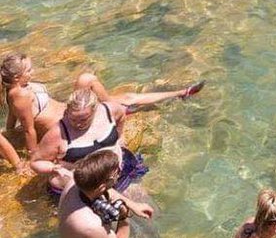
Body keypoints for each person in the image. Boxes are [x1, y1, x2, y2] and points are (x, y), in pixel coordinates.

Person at [2, 53, 201, 162]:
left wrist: (9, 131)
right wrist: (33, 156)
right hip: (67, 121)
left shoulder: (21, 88)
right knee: (127, 98)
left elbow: (13, 115)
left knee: (87, 79)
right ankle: (180, 93)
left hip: (68, 108)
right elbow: (28, 129)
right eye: (29, 70)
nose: (33, 71)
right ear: (17, 78)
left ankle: (179, 93)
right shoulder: (18, 95)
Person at [30, 89, 147, 195]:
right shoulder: (58, 133)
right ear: (67, 111)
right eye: (73, 119)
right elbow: (36, 162)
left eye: (84, 119)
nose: (78, 124)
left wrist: (120, 137)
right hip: (81, 187)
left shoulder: (109, 110)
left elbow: (121, 116)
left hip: (115, 173)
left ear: (95, 109)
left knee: (141, 203)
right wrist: (54, 168)